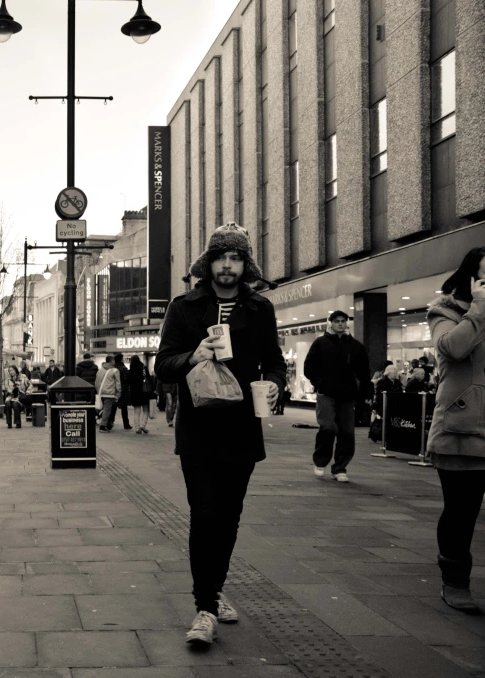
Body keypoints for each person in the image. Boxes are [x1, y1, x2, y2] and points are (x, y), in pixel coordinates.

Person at [155, 222, 286, 645]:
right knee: (205, 515)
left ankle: (213, 589)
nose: (227, 266)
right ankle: (205, 607)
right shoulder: (184, 307)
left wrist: (276, 384)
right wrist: (193, 355)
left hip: (242, 429)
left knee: (228, 518)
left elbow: (275, 361)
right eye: (221, 257)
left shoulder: (260, 309)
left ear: (245, 264)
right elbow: (163, 366)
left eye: (235, 258)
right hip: (198, 429)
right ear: (208, 263)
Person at [425, 246, 485, 613]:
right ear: (471, 278)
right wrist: (479, 307)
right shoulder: (444, 310)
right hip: (461, 426)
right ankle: (455, 579)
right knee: (461, 512)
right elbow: (453, 348)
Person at [303, 310, 372, 483]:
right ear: (331, 323)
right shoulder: (320, 343)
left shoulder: (356, 346)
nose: (340, 324)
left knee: (347, 432)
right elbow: (309, 366)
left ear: (347, 323)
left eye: (343, 321)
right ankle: (321, 461)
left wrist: (364, 391)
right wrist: (320, 383)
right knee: (328, 427)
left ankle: (340, 467)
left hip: (347, 395)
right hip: (326, 393)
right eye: (337, 321)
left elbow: (364, 371)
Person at [95, 355, 121, 432]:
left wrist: (98, 391)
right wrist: (118, 393)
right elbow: (118, 383)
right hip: (110, 393)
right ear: (112, 361)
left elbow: (96, 382)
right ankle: (103, 426)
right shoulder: (115, 371)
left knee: (104, 409)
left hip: (101, 392)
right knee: (107, 409)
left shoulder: (100, 370)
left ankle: (106, 423)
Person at [4, 365, 33, 429]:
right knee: (7, 404)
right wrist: (11, 391)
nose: (11, 372)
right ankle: (9, 423)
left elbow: (30, 384)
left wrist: (27, 392)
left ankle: (18, 423)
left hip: (20, 397)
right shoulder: (8, 380)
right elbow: (7, 388)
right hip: (11, 397)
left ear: (16, 370)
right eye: (10, 371)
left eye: (12, 370)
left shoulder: (23, 377)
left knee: (15, 404)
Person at [128, 355, 151, 434]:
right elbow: (149, 380)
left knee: (136, 411)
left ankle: (137, 428)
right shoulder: (144, 368)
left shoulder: (130, 371)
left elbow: (127, 382)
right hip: (144, 392)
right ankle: (143, 425)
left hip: (135, 393)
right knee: (146, 410)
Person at [113, 353, 132, 430]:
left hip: (114, 389)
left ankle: (110, 422)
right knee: (124, 408)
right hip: (123, 390)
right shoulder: (123, 368)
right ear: (121, 359)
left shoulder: (113, 368)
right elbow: (126, 379)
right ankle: (126, 424)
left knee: (113, 407)